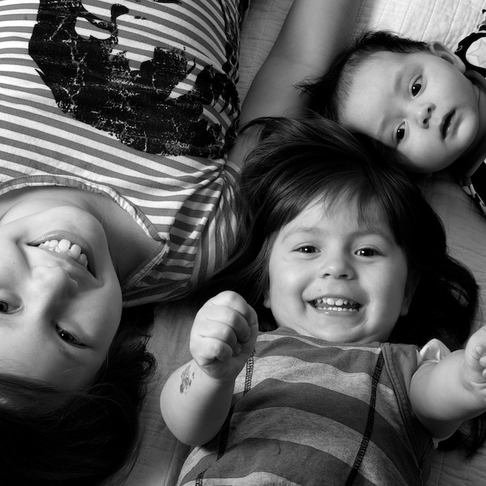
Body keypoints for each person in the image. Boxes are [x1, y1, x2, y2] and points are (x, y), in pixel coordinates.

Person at [0, 0, 361, 484]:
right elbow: (298, 66)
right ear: (113, 356)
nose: (53, 283)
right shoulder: (196, 241)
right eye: (68, 336)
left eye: (3, 305)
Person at [160, 116, 486, 485]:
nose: (336, 267)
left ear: (407, 291)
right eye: (307, 248)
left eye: (366, 251)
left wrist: (469, 376)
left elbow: (440, 394)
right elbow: (185, 426)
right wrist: (210, 374)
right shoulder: (240, 352)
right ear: (266, 283)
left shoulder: (405, 370)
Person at [300, 30, 486, 215]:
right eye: (400, 132)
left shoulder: (477, 49)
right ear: (415, 173)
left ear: (446, 58)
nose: (421, 113)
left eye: (416, 88)